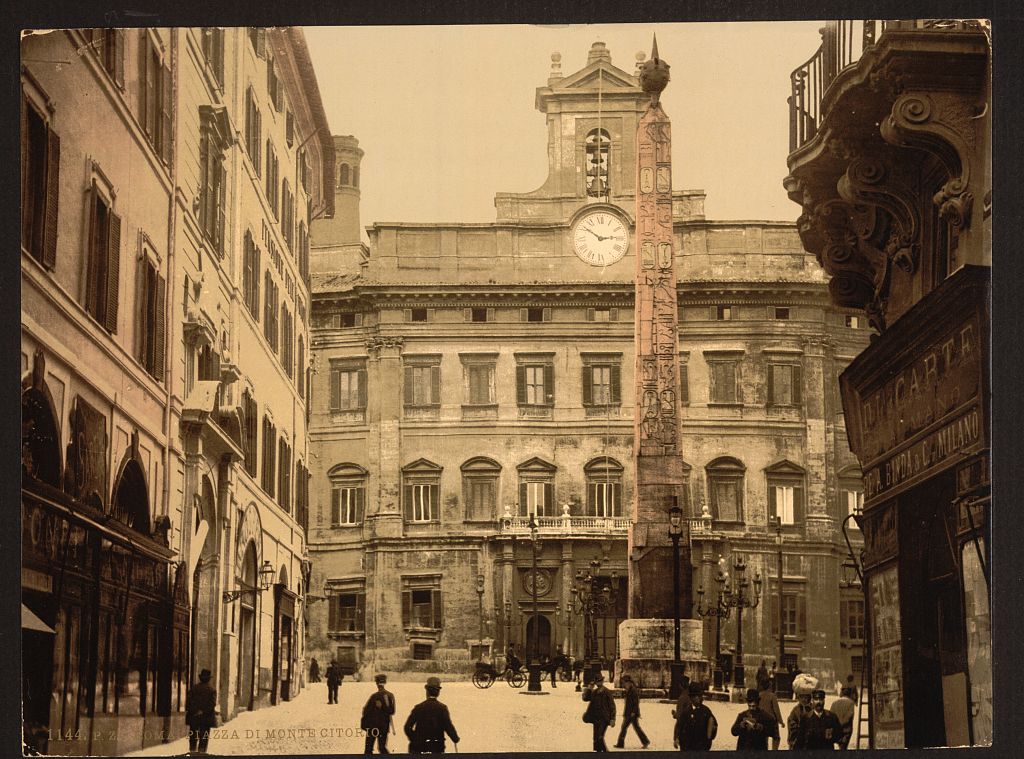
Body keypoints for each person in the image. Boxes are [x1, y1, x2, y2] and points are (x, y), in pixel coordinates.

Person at [404, 677, 459, 754]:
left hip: (419, 748)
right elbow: (448, 727)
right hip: (437, 747)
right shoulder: (442, 708)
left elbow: (407, 727)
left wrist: (415, 739)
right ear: (438, 693)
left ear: (427, 691)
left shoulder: (419, 707)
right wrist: (455, 738)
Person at [674, 681, 717, 751]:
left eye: (699, 696)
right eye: (694, 696)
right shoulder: (686, 712)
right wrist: (676, 738)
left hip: (702, 747)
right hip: (687, 747)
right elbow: (679, 725)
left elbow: (713, 725)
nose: (697, 698)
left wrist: (710, 737)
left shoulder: (706, 711)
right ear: (691, 697)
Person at [582, 672, 616, 752]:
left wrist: (612, 718)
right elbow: (585, 698)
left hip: (604, 718)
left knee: (600, 736)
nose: (599, 683)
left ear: (603, 681)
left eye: (600, 681)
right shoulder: (594, 692)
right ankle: (598, 752)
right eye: (597, 681)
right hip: (596, 718)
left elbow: (612, 706)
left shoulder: (607, 692)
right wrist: (589, 688)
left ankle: (606, 753)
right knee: (595, 739)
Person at [362, 674, 396, 754]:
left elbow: (366, 711)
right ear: (385, 682)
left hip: (373, 726)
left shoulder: (374, 696)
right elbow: (392, 711)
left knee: (368, 748)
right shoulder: (391, 695)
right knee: (382, 747)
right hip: (384, 726)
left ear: (376, 683)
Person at [186, 668, 217, 755]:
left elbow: (189, 702)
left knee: (193, 736)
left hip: (194, 716)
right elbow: (212, 704)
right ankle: (202, 753)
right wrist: (203, 711)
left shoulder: (194, 688)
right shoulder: (212, 690)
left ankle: (192, 752)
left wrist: (196, 710)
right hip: (206, 718)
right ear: (208, 679)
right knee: (204, 737)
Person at [613, 675, 650, 749]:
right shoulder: (629, 690)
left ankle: (621, 744)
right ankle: (645, 741)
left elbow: (636, 703)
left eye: (625, 682)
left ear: (629, 682)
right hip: (629, 713)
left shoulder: (633, 690)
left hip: (632, 714)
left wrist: (633, 712)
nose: (624, 684)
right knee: (634, 728)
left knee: (625, 728)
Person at [757, 678, 784, 750]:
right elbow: (776, 710)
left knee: (764, 738)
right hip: (772, 721)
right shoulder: (772, 696)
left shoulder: (759, 695)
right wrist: (781, 721)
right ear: (769, 686)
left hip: (762, 720)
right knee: (776, 738)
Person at [787, 685, 814, 750]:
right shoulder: (795, 710)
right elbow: (790, 722)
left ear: (809, 698)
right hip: (798, 740)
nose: (803, 699)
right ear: (798, 698)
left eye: (806, 697)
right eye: (801, 697)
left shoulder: (813, 708)